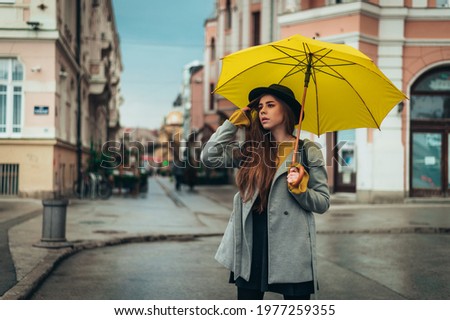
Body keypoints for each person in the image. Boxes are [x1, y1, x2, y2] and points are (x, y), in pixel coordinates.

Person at [201, 84, 330, 300]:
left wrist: (300, 190)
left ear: (286, 110)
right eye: (260, 106)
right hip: (252, 240)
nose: (262, 111)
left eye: (270, 105)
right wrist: (231, 125)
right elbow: (208, 157)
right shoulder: (251, 149)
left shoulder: (308, 151)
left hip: (291, 245)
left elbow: (323, 202)